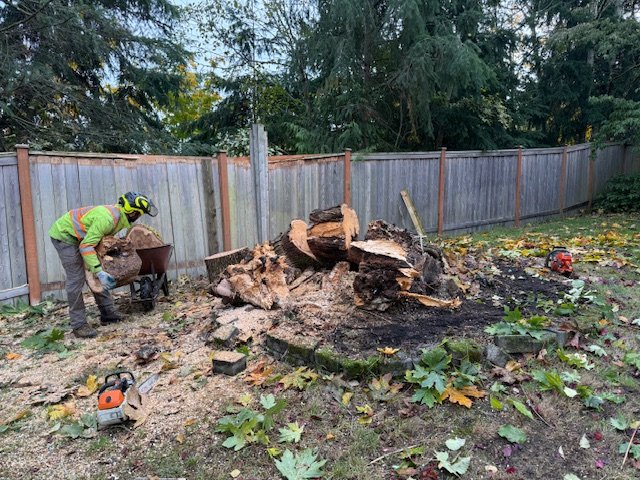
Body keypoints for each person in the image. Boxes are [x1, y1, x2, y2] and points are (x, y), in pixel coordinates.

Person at [49, 192, 158, 338]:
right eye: (139, 214)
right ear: (133, 212)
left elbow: (96, 239)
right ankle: (79, 325)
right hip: (65, 236)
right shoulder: (107, 219)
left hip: (84, 237)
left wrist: (100, 267)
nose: (139, 217)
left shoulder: (120, 218)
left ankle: (108, 313)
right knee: (77, 278)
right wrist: (99, 271)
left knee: (97, 268)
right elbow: (86, 246)